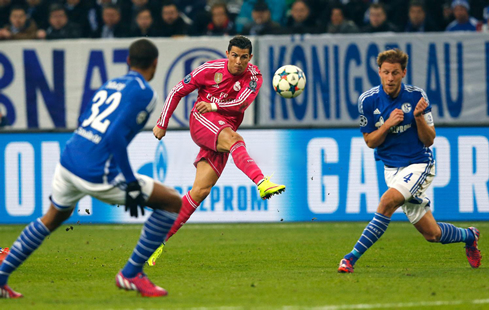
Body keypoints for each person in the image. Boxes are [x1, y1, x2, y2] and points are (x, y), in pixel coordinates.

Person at [0, 39, 182, 298]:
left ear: (128, 61)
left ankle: (1, 277)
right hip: (96, 171)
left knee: (52, 217)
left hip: (69, 159)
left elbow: (84, 120)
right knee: (173, 202)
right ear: (155, 63)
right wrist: (130, 181)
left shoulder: (110, 84)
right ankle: (131, 274)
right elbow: (116, 136)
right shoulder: (145, 93)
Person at [338, 49, 481, 273]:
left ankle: (350, 258)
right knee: (432, 234)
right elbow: (370, 142)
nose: (391, 78)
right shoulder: (367, 100)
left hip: (419, 164)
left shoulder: (417, 97)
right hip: (391, 170)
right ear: (379, 72)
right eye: (386, 72)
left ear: (404, 72)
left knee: (387, 202)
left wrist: (417, 118)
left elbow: (429, 139)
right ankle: (469, 235)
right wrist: (386, 125)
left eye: (395, 72)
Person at [147, 35, 285, 266]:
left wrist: (215, 104)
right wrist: (162, 122)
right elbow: (176, 91)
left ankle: (156, 240)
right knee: (234, 139)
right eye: (234, 55)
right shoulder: (209, 70)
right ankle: (262, 182)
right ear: (227, 54)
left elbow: (241, 103)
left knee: (200, 191)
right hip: (202, 121)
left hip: (222, 126)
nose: (238, 61)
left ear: (250, 58)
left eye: (243, 57)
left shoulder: (254, 77)